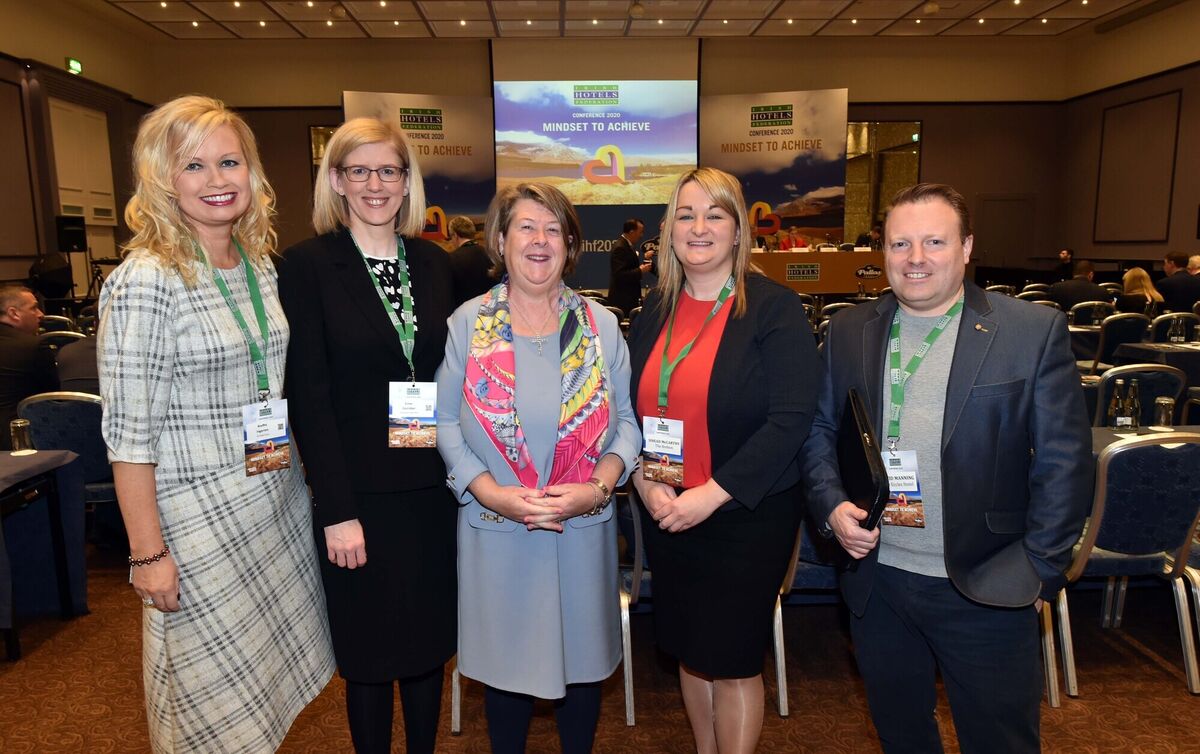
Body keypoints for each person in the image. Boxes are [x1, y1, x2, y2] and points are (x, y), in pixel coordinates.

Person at [803, 183, 1092, 754]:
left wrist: (1040, 570)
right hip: (878, 581)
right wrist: (831, 504)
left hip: (988, 584)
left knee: (999, 743)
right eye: (900, 243)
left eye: (934, 241)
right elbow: (818, 434)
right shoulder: (847, 330)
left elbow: (1066, 464)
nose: (915, 259)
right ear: (881, 252)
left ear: (966, 249)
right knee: (902, 735)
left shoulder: (1030, 332)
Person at [97, 95, 334, 753]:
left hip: (269, 516)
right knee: (207, 713)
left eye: (229, 161)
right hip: (195, 531)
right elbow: (129, 440)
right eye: (194, 166)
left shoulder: (255, 265)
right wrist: (148, 554)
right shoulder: (147, 280)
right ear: (161, 179)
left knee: (261, 697)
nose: (217, 179)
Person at [436, 182, 640, 753]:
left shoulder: (599, 326)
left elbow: (627, 424)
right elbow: (445, 424)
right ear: (501, 240)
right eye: (527, 227)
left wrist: (598, 489)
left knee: (581, 675)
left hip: (581, 527)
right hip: (497, 530)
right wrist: (489, 492)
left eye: (554, 229)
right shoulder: (466, 325)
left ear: (570, 244)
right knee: (506, 679)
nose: (540, 240)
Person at [278, 117, 457, 754]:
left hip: (432, 491)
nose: (375, 184)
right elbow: (309, 398)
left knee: (429, 647)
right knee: (370, 656)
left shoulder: (435, 264)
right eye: (359, 170)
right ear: (336, 180)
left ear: (408, 181)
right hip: (359, 499)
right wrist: (337, 510)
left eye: (389, 170)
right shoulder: (305, 265)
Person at [626, 167, 819, 753]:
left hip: (744, 515)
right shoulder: (654, 310)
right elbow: (629, 413)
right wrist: (645, 483)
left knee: (733, 659)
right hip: (670, 510)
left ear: (739, 230)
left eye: (715, 214)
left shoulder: (773, 308)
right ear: (668, 230)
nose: (699, 226)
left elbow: (790, 420)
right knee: (691, 648)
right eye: (685, 214)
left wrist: (709, 496)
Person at [0, 285, 56, 449]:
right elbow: (49, 398)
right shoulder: (33, 346)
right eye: (34, 308)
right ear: (13, 313)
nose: (41, 314)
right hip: (18, 440)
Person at [447, 213, 493, 305]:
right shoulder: (491, 255)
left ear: (455, 235)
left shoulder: (451, 259)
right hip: (490, 313)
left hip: (462, 314)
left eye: (451, 236)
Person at [607, 217, 647, 316]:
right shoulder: (620, 248)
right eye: (640, 232)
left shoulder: (626, 246)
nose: (641, 235)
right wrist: (640, 271)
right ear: (632, 232)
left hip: (628, 299)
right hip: (622, 301)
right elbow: (619, 275)